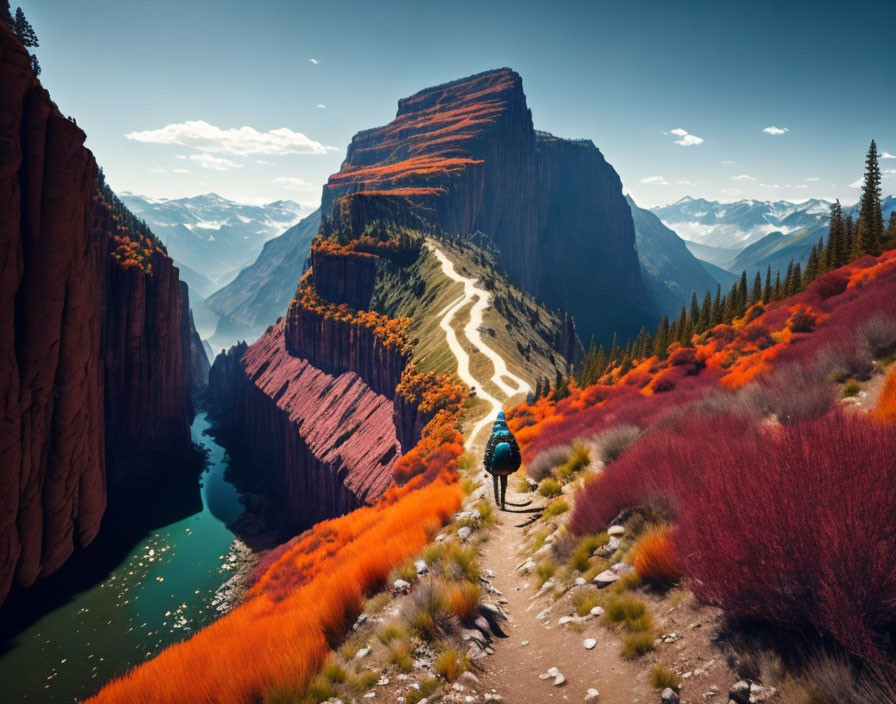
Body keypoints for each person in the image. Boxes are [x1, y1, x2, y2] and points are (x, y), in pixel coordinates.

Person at [483, 411, 521, 509]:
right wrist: (515, 467)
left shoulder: (493, 435)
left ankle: (497, 501)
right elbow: (517, 452)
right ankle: (503, 503)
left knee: (495, 479)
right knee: (504, 481)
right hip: (507, 466)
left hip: (494, 466)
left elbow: (488, 452)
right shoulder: (510, 435)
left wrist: (487, 466)